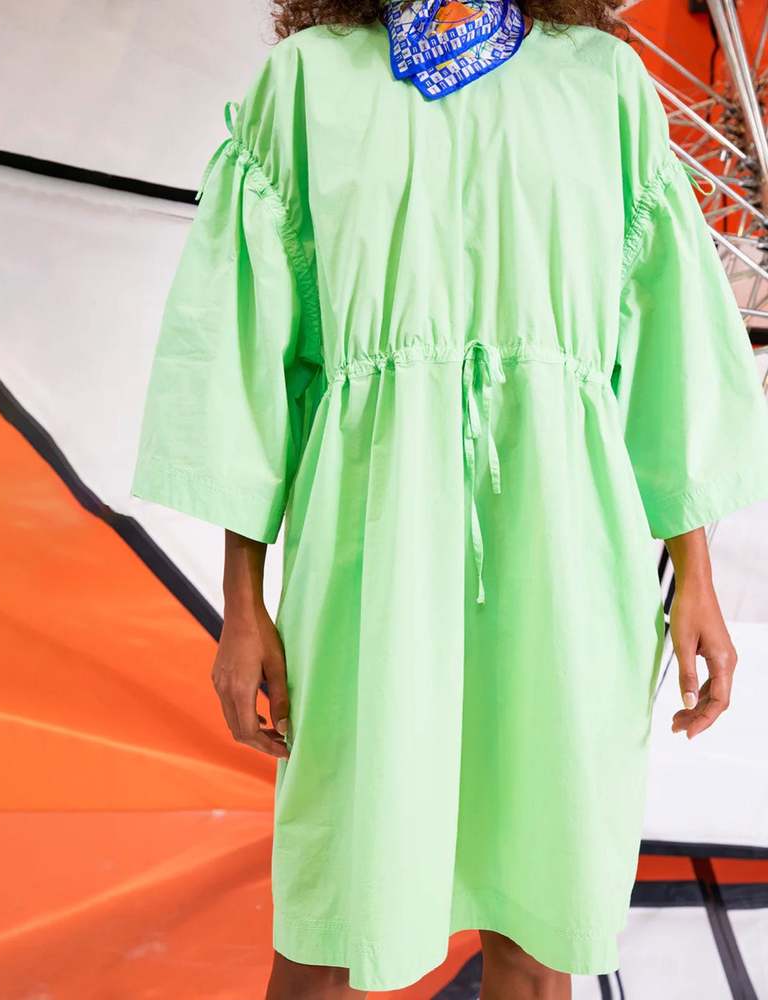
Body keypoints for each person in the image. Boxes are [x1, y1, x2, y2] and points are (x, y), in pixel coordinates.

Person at [131, 1, 768, 997]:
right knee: (332, 919)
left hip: (565, 550)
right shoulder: (307, 84)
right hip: (369, 552)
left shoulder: (601, 82)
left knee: (536, 921)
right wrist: (241, 603)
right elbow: (244, 359)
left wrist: (696, 578)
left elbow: (669, 343)